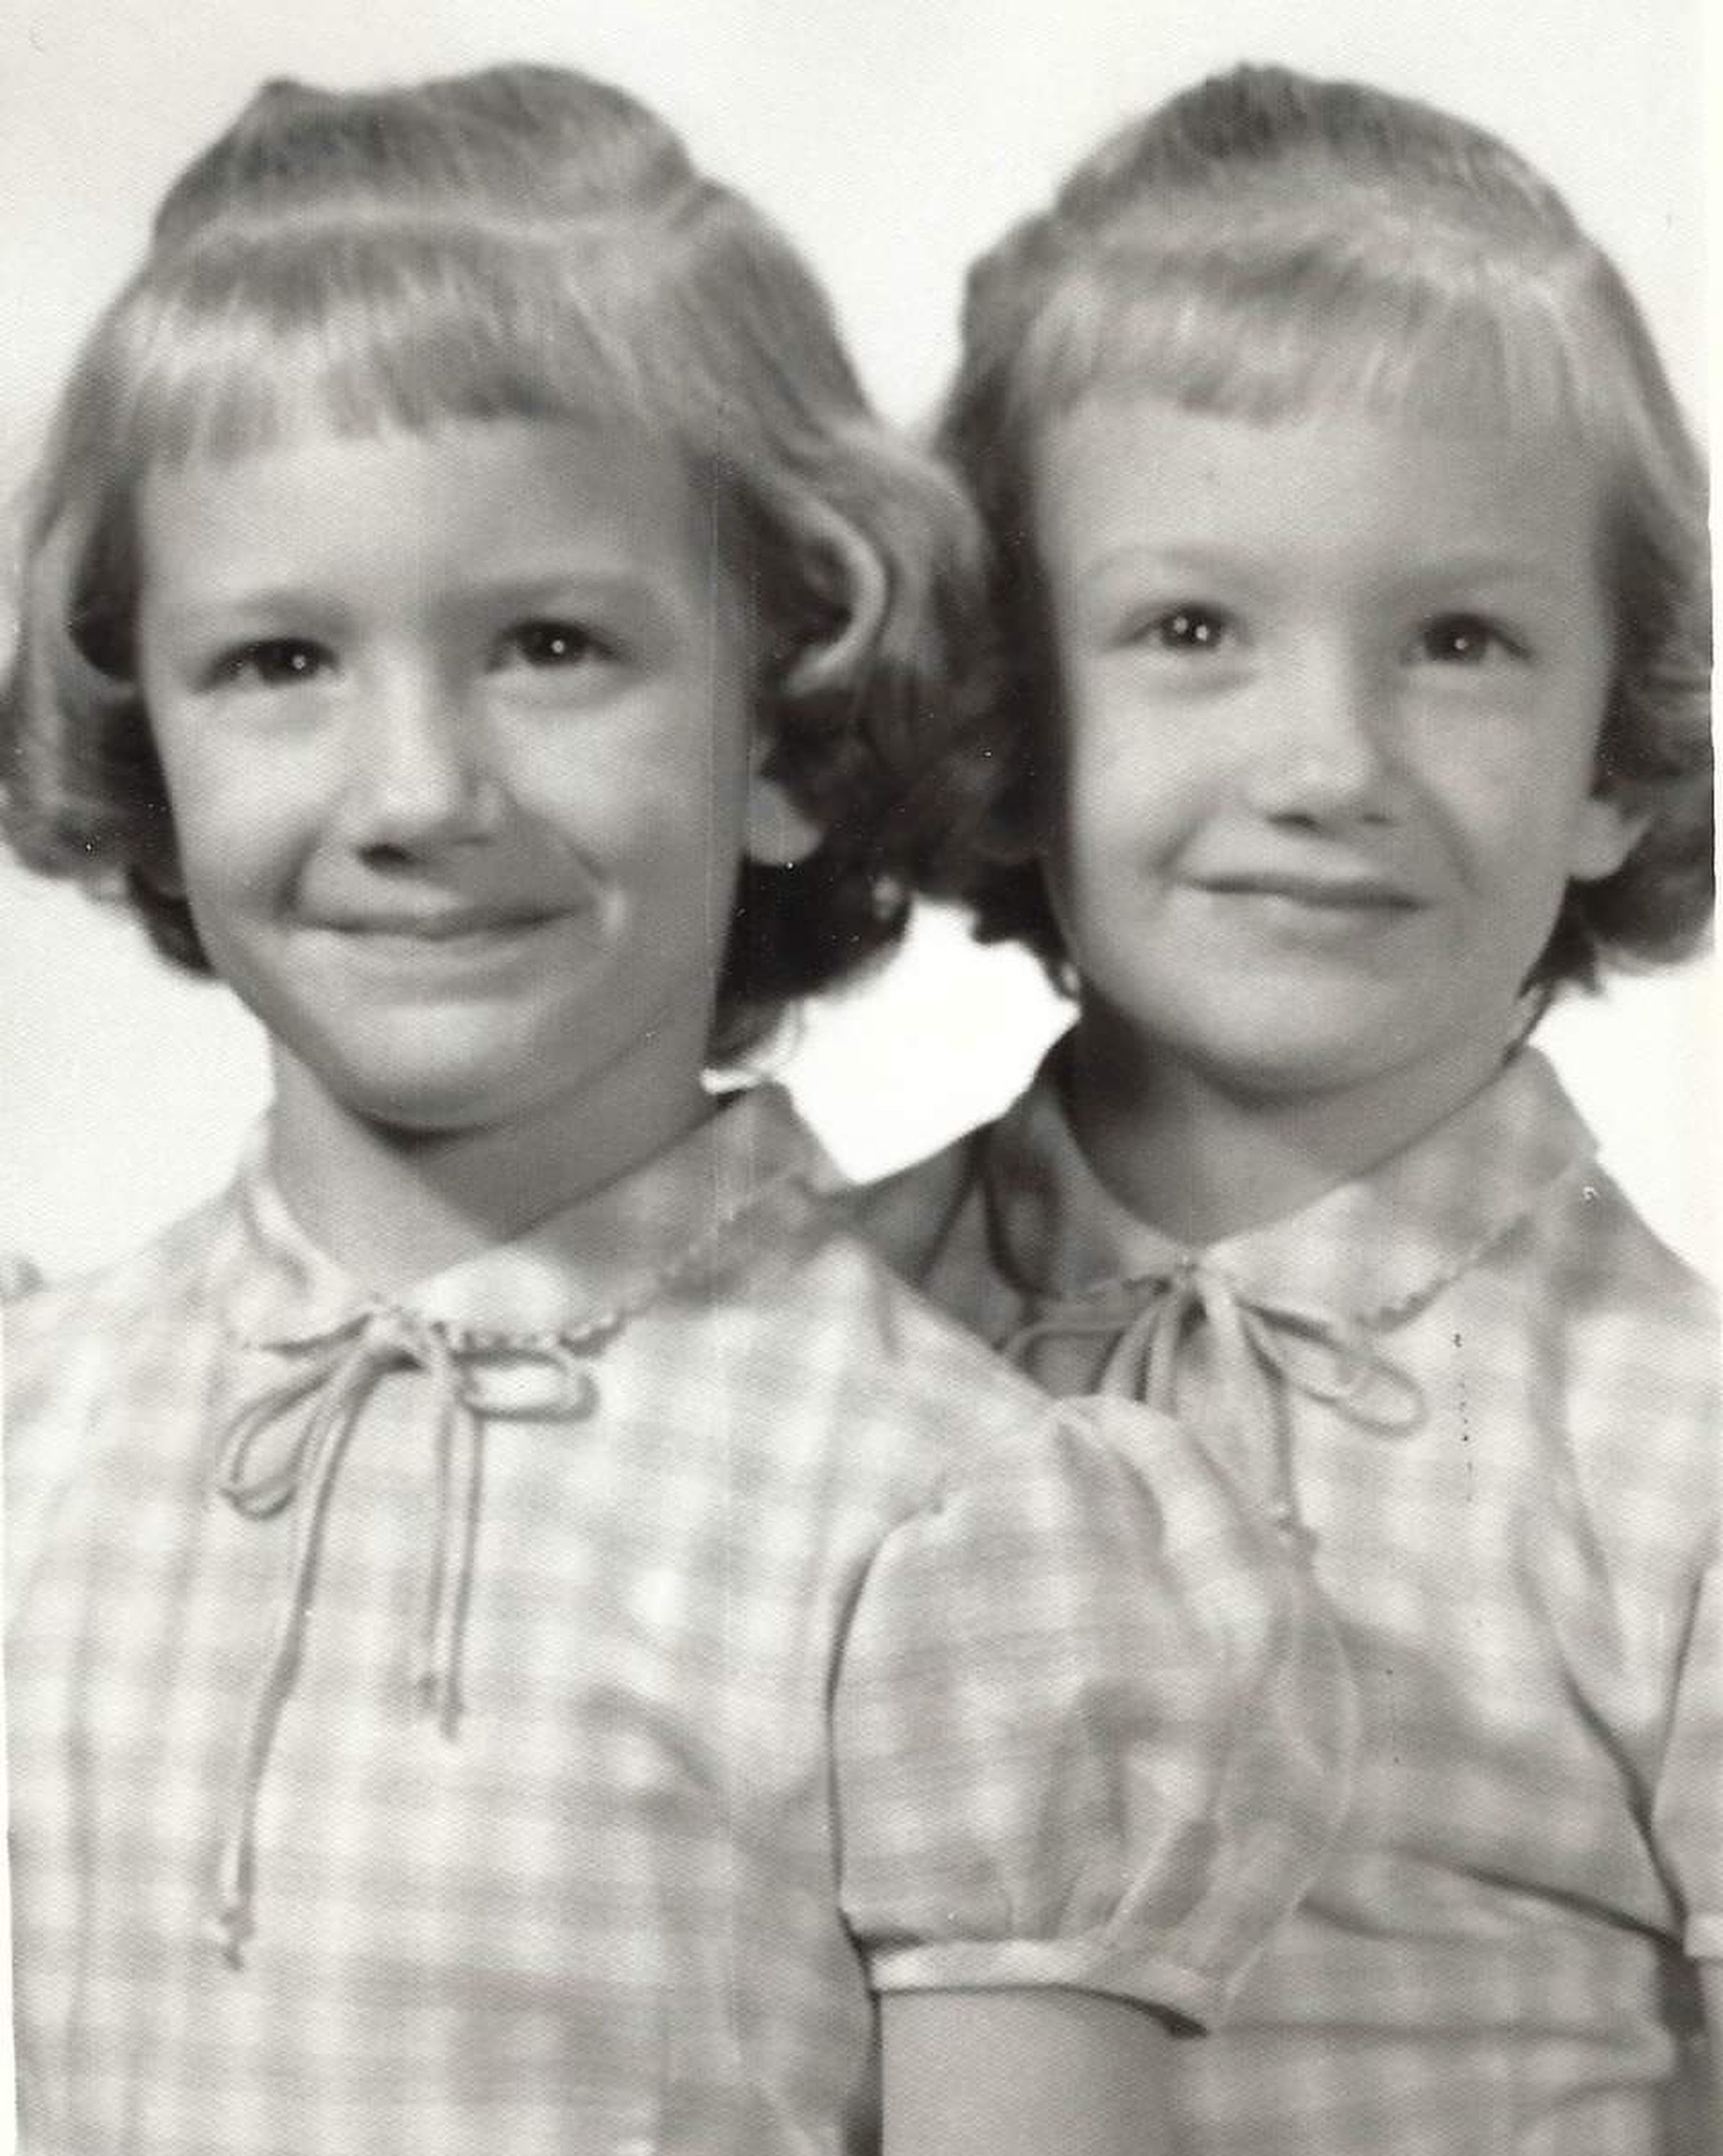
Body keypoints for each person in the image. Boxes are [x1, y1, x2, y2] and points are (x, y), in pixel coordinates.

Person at [0, 63, 1357, 2156]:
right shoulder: (49, 1427)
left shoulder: (949, 1525)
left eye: (550, 645)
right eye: (279, 662)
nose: (417, 794)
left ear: (791, 734)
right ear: (142, 751)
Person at [856, 63, 1719, 2155]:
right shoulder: (810, 1346)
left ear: (1617, 751)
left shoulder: (1674, 1455)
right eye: (1189, 629)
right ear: (1003, 713)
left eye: (1458, 639)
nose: (1328, 756)